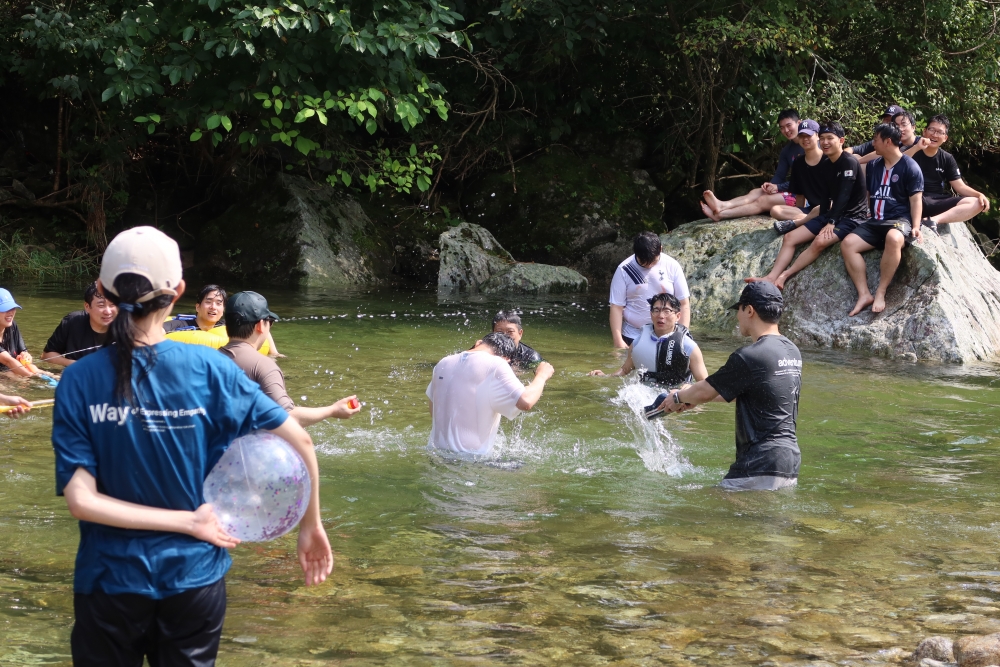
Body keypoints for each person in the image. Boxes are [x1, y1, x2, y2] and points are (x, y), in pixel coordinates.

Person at [51, 226, 332, 665]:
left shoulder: (78, 379)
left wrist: (187, 522)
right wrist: (308, 525)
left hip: (108, 584)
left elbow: (81, 501)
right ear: (179, 292)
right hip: (194, 580)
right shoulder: (208, 367)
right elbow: (301, 438)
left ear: (104, 291)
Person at [658, 282, 801, 491]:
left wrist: (678, 397)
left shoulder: (751, 355)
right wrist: (691, 398)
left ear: (749, 310)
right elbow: (746, 390)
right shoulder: (792, 351)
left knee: (700, 509)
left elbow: (706, 390)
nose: (738, 317)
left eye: (740, 310)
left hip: (759, 462)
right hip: (788, 462)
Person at [747, 122, 868, 289]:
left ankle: (785, 275)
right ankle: (771, 276)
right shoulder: (826, 164)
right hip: (832, 214)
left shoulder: (848, 162)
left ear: (841, 140)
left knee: (819, 242)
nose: (825, 143)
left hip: (851, 217)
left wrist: (830, 223)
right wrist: (822, 219)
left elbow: (844, 195)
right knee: (790, 237)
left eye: (830, 139)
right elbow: (826, 196)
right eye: (823, 138)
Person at [219, 291, 361, 426]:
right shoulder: (263, 365)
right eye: (270, 322)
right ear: (260, 326)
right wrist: (333, 410)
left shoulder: (207, 361)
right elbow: (287, 419)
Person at [841, 123, 924, 316]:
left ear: (887, 142)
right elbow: (870, 194)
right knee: (848, 244)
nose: (873, 143)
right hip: (875, 221)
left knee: (894, 239)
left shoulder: (910, 167)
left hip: (898, 220)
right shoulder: (873, 165)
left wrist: (916, 226)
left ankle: (881, 291)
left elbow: (916, 199)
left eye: (875, 139)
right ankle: (864, 294)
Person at [426, 332, 554, 457]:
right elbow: (526, 401)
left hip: (436, 455)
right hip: (472, 461)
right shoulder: (497, 364)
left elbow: (434, 411)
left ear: (478, 343)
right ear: (506, 359)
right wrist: (541, 375)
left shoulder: (443, 363)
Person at [701, 109, 804, 221]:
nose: (786, 130)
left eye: (789, 125)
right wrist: (770, 186)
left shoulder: (811, 146)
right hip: (794, 189)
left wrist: (778, 187)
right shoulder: (786, 150)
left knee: (763, 200)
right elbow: (780, 175)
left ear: (799, 123)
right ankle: (722, 206)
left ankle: (721, 215)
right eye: (782, 127)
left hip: (805, 196)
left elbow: (805, 180)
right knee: (757, 192)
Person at [589, 293, 708, 387]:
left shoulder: (688, 346)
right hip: (645, 392)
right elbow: (625, 369)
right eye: (656, 310)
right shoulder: (637, 343)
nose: (661, 316)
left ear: (678, 316)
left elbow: (704, 383)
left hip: (677, 395)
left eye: (667, 311)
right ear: (651, 314)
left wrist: (689, 390)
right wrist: (605, 377)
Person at [904, 114, 990, 230]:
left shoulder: (947, 158)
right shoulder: (912, 149)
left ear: (945, 138)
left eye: (940, 132)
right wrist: (917, 148)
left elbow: (960, 187)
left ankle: (933, 220)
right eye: (931, 130)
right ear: (924, 131)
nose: (934, 135)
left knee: (977, 203)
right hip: (913, 199)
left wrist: (979, 194)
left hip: (937, 201)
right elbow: (896, 163)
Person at [609, 231, 690, 348]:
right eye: (644, 262)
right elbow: (616, 307)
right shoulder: (624, 269)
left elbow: (684, 303)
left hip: (669, 335)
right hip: (633, 335)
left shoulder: (672, 266)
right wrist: (618, 341)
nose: (649, 266)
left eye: (653, 261)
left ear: (661, 249)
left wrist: (683, 337)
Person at [165, 284, 284, 358]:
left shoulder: (225, 325)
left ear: (223, 309)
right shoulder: (180, 325)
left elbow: (260, 324)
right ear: (197, 307)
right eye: (208, 302)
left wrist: (274, 352)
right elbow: (154, 331)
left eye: (218, 303)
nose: (213, 307)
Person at [768, 119, 829, 234]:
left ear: (817, 136)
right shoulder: (798, 163)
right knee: (775, 210)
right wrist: (797, 210)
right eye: (802, 136)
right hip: (810, 210)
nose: (805, 139)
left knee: (826, 207)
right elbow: (800, 194)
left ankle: (804, 221)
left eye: (809, 135)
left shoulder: (829, 160)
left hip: (828, 207)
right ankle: (809, 219)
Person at [41, 282, 118, 367]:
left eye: (112, 305)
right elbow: (46, 356)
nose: (108, 312)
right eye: (101, 305)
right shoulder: (73, 321)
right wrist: (76, 365)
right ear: (87, 307)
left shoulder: (127, 327)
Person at [855, 109, 920, 165]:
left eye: (904, 124)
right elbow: (880, 153)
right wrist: (858, 161)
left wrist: (917, 147)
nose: (900, 129)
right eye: (896, 125)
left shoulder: (922, 143)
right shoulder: (896, 143)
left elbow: (900, 160)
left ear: (913, 127)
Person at [0, 287, 35, 377]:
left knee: (37, 370)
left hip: (8, 370)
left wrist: (25, 355)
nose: (11, 312)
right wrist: (33, 377)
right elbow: (8, 361)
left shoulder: (12, 326)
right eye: (5, 309)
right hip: (4, 373)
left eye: (12, 308)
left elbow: (23, 351)